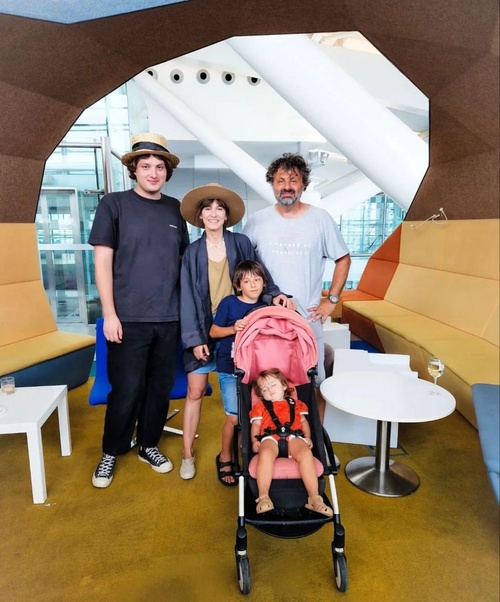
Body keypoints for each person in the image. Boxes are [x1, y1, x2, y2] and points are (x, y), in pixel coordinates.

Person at [88, 132, 189, 488]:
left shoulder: (176, 209)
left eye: (159, 166)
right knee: (126, 389)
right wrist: (110, 313)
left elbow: (183, 262)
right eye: (145, 166)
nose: (153, 172)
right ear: (134, 169)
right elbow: (102, 263)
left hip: (170, 317)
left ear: (167, 172)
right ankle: (111, 451)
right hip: (127, 318)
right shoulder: (113, 204)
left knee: (159, 388)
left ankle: (148, 444)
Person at [179, 183, 294, 481]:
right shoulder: (192, 252)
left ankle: (237, 453)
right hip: (205, 326)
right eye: (208, 208)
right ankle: (187, 454)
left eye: (219, 209)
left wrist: (276, 297)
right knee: (195, 392)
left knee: (244, 395)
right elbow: (187, 298)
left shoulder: (240, 242)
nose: (213, 213)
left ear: (226, 215)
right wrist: (195, 339)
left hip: (240, 329)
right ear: (200, 215)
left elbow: (259, 277)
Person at [243, 153, 351, 420]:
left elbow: (343, 258)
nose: (287, 186)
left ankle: (315, 439)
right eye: (281, 181)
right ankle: (268, 437)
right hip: (267, 319)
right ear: (272, 184)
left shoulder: (320, 219)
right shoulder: (257, 221)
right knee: (267, 383)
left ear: (304, 184)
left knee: (313, 384)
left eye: (294, 180)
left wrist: (331, 300)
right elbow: (243, 266)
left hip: (307, 319)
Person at [209, 260, 268, 486]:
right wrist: (233, 328)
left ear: (264, 283)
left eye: (257, 279)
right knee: (234, 417)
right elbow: (213, 332)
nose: (253, 284)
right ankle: (225, 457)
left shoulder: (265, 307)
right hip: (229, 367)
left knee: (251, 415)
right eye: (247, 281)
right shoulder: (229, 303)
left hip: (255, 369)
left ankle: (244, 453)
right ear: (238, 285)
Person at [250, 368, 333, 517]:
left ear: (284, 386)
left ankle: (314, 497)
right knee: (265, 454)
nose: (270, 390)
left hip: (294, 437)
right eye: (265, 389)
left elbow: (303, 422)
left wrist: (307, 436)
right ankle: (263, 496)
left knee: (306, 453)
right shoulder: (260, 407)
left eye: (273, 385)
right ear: (261, 395)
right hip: (270, 437)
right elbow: (256, 425)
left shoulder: (297, 404)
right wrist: (254, 440)